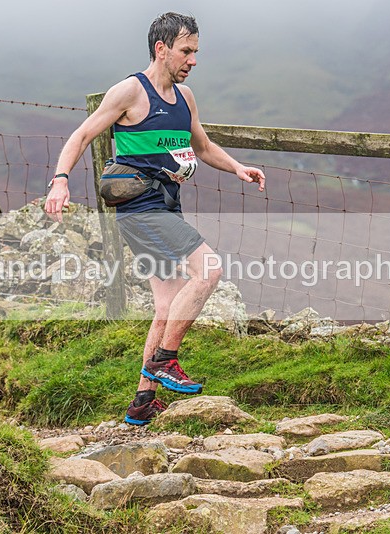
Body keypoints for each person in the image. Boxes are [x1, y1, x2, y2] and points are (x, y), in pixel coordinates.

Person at [44, 12, 265, 425]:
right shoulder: (130, 92)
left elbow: (202, 146)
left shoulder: (186, 98)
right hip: (139, 208)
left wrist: (237, 168)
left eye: (196, 52)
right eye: (186, 51)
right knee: (209, 269)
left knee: (166, 305)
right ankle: (165, 360)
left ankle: (142, 402)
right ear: (161, 49)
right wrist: (60, 180)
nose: (193, 60)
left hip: (166, 205)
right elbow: (82, 135)